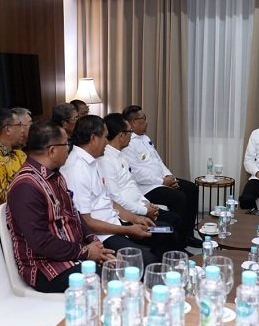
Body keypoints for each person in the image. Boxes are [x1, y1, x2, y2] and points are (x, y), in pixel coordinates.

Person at [6, 121, 116, 292]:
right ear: (52, 150)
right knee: (112, 282)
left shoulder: (55, 176)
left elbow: (75, 215)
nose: (69, 149)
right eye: (67, 144)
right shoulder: (26, 187)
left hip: (73, 253)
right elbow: (40, 242)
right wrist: (86, 253)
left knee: (119, 268)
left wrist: (95, 245)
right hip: (46, 267)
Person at [61, 115, 168, 265]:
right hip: (101, 235)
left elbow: (108, 200)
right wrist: (128, 230)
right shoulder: (77, 169)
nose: (107, 142)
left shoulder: (93, 160)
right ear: (93, 138)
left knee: (164, 231)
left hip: (116, 223)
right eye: (105, 137)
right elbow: (86, 223)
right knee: (146, 260)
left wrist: (135, 218)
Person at [98, 113, 186, 251]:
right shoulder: (106, 161)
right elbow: (116, 198)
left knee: (174, 219)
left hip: (138, 206)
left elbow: (132, 185)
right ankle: (163, 260)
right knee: (167, 229)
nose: (131, 136)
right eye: (129, 132)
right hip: (128, 214)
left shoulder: (120, 155)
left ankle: (174, 254)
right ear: (121, 135)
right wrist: (144, 211)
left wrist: (147, 204)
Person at [121, 105, 200, 247]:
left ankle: (188, 234)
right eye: (143, 119)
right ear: (133, 122)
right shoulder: (127, 143)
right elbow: (137, 173)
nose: (146, 122)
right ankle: (178, 242)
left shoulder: (145, 138)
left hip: (161, 181)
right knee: (179, 198)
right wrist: (162, 181)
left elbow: (158, 161)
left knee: (191, 188)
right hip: (147, 187)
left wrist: (170, 177)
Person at [0, 108, 27, 202]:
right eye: (19, 125)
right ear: (7, 130)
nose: (23, 130)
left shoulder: (20, 154)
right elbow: (5, 196)